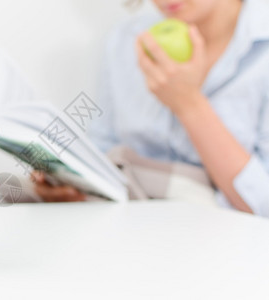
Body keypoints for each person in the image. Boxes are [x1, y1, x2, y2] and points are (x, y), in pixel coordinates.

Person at [33, 0, 269, 217]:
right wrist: (73, 186)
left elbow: (262, 204)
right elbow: (103, 152)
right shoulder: (125, 41)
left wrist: (188, 104)